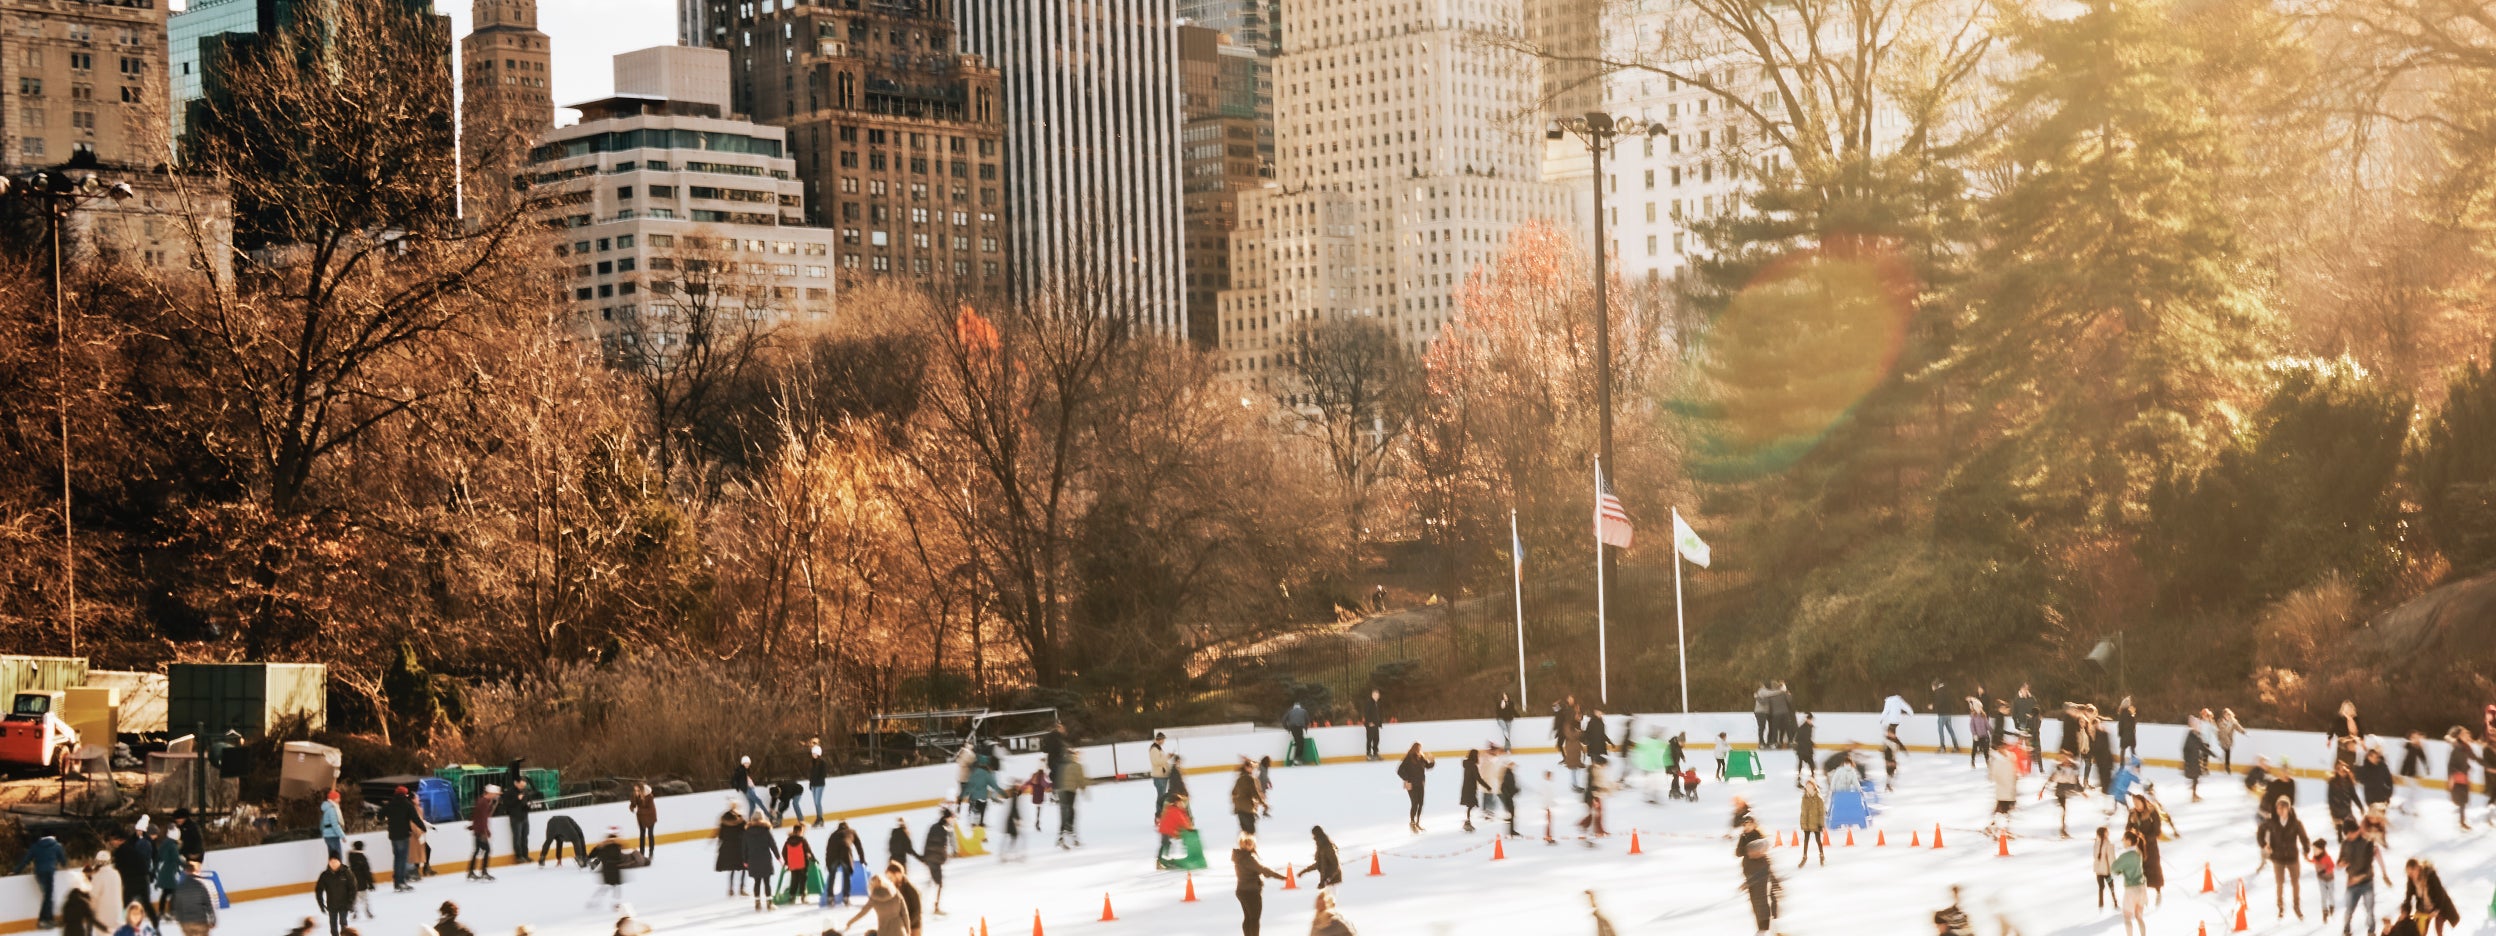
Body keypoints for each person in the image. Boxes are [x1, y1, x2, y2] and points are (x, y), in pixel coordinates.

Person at [2259, 795, 2309, 919]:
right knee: (2279, 883)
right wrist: (2264, 845)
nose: (2280, 811)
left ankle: (2296, 906)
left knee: (2295, 883)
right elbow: (2260, 831)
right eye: (2278, 808)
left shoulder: (2296, 823)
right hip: (2278, 858)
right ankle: (2280, 906)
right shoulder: (2271, 821)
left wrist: (2306, 850)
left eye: (2283, 808)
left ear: (2288, 809)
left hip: (2292, 857)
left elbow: (2304, 838)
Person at [1232, 834, 1286, 936]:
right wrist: (1280, 876)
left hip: (1241, 891)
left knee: (1248, 917)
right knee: (1254, 919)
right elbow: (1262, 869)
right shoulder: (1248, 858)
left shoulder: (1238, 856)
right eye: (1251, 843)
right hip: (1251, 892)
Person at [835, 865, 907, 936]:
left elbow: (862, 913)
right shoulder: (895, 893)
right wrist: (907, 931)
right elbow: (905, 913)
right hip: (900, 931)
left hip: (884, 932)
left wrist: (850, 922)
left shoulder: (874, 898)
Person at [2342, 821, 2386, 936]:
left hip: (2366, 883)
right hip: (2352, 883)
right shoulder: (2346, 843)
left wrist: (2359, 877)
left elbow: (2368, 864)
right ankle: (2346, 931)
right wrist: (2342, 864)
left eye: (2349, 834)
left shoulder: (2367, 843)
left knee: (2369, 910)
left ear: (2354, 831)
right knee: (2349, 910)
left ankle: (2371, 932)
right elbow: (2343, 860)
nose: (2348, 837)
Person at [14, 832, 66, 929]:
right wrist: (63, 866)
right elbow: (63, 861)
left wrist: (16, 871)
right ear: (53, 837)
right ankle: (43, 920)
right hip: (49, 873)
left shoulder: (36, 846)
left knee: (47, 896)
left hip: (39, 873)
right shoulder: (57, 846)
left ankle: (49, 919)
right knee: (48, 896)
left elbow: (26, 860)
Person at [1735, 815, 1776, 936]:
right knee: (1754, 901)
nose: (1746, 826)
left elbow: (1759, 853)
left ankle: (1764, 928)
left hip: (1758, 871)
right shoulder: (1744, 836)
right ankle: (1761, 928)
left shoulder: (1757, 836)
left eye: (1748, 824)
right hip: (1749, 872)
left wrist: (1749, 850)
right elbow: (1738, 853)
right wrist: (1744, 842)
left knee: (1761, 900)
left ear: (1753, 824)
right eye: (1744, 824)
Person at [382, 786, 427, 892]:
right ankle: (402, 882)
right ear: (405, 794)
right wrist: (423, 827)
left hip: (393, 836)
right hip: (403, 836)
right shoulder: (407, 805)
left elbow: (380, 815)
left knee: (397, 859)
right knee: (402, 859)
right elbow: (415, 818)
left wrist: (387, 818)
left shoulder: (391, 804)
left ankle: (397, 883)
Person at [2401, 859, 2458, 936]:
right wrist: (2405, 911)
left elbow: (2440, 894)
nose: (2410, 875)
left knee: (2438, 929)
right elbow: (2408, 897)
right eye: (2408, 873)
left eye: (2411, 872)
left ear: (2417, 868)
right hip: (2424, 907)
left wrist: (2437, 910)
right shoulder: (2411, 880)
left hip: (2439, 906)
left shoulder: (2430, 875)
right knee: (2420, 931)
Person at [588, 828, 634, 912]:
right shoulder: (618, 845)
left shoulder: (602, 846)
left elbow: (591, 855)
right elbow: (624, 850)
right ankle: (615, 904)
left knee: (606, 887)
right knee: (615, 888)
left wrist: (600, 845)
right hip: (615, 870)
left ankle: (594, 901)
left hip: (606, 870)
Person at [2113, 830, 2148, 936]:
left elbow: (2114, 868)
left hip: (2131, 890)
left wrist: (2120, 870)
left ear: (2128, 841)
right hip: (2142, 888)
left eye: (2123, 840)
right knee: (2139, 917)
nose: (2123, 842)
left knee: (2127, 917)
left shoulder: (2125, 856)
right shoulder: (2139, 853)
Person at [741, 812, 777, 912]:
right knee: (767, 882)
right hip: (765, 859)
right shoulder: (766, 830)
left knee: (757, 882)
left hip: (753, 860)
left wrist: (745, 860)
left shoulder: (747, 832)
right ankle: (769, 903)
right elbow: (772, 844)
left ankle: (757, 903)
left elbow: (744, 847)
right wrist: (778, 857)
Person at [919, 808, 953, 915]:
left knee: (931, 882)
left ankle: (921, 904)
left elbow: (927, 841)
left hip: (929, 858)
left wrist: (924, 857)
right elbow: (942, 846)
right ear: (947, 818)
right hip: (936, 860)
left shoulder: (933, 827)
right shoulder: (944, 829)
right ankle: (935, 907)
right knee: (939, 884)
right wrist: (944, 858)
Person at [823, 820, 864, 906]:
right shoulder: (851, 831)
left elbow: (828, 849)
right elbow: (859, 846)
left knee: (832, 875)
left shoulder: (833, 834)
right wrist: (862, 859)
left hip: (833, 855)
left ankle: (830, 897)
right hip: (845, 854)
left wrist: (827, 863)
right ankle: (846, 897)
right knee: (846, 875)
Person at [167, 862, 214, 936]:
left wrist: (179, 920)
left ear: (185, 871)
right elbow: (208, 904)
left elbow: (176, 906)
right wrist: (212, 919)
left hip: (186, 923)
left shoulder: (179, 888)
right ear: (194, 871)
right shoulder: (200, 886)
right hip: (200, 921)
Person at [1396, 743, 1435, 833]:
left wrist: (1432, 761)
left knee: (1420, 803)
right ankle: (1412, 822)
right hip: (1412, 784)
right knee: (1415, 803)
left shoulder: (1421, 757)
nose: (1419, 750)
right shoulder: (1408, 758)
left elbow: (1428, 766)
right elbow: (1399, 771)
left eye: (1420, 748)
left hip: (1421, 784)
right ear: (1414, 748)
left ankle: (1417, 823)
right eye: (1417, 748)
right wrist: (1407, 779)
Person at [2443, 727, 2477, 830]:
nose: (2468, 737)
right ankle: (2462, 821)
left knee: (2464, 800)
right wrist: (2451, 778)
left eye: (2468, 735)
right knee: (2461, 800)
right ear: (2460, 736)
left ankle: (2461, 818)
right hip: (2457, 777)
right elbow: (2451, 764)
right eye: (2465, 735)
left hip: (2464, 776)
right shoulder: (2457, 747)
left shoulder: (2466, 748)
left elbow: (2473, 759)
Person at [466, 785, 501, 881]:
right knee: (487, 850)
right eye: (495, 794)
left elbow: (481, 816)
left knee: (477, 850)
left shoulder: (483, 801)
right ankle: (483, 872)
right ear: (490, 793)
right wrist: (484, 832)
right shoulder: (483, 803)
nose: (496, 796)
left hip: (478, 830)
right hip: (481, 831)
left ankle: (471, 872)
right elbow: (482, 819)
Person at [714, 802, 749, 896]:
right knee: (743, 868)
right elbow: (746, 833)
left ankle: (731, 889)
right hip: (739, 847)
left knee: (732, 869)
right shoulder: (741, 820)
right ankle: (742, 889)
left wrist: (720, 846)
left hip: (729, 848)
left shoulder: (724, 821)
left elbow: (721, 836)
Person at [314, 858, 355, 936]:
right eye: (331, 862)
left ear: (339, 862)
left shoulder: (346, 872)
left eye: (335, 862)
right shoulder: (325, 875)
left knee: (343, 923)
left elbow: (353, 888)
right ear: (329, 863)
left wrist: (351, 903)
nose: (333, 864)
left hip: (344, 904)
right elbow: (319, 890)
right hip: (332, 904)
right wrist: (321, 904)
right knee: (333, 925)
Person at [1058, 749, 1090, 849]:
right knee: (1071, 812)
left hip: (1061, 792)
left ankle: (1062, 837)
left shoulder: (1060, 765)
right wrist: (1084, 789)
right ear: (1074, 756)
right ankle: (1069, 837)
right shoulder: (1077, 765)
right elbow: (1080, 779)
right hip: (1070, 791)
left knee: (1064, 813)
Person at [1988, 741, 2020, 837]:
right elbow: (1992, 776)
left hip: (2010, 790)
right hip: (2002, 790)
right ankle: (1999, 830)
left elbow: (2014, 771)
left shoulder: (2011, 757)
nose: (2003, 749)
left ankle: (1994, 827)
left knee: (2003, 811)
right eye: (2001, 747)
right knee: (2003, 812)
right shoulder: (1997, 762)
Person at [780, 821, 817, 904]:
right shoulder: (802, 840)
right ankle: (803, 897)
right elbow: (808, 850)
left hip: (792, 864)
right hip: (802, 864)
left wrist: (787, 862)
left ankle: (792, 897)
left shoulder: (788, 841)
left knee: (794, 880)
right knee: (803, 881)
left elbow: (783, 852)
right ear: (801, 831)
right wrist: (814, 859)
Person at [88, 853, 123, 936]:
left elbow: (93, 896)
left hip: (102, 913)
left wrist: (90, 910)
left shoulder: (98, 876)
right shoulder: (116, 873)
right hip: (117, 911)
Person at [1156, 793, 1194, 868]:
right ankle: (1161, 861)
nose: (1182, 804)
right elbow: (1182, 821)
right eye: (1181, 803)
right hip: (1166, 830)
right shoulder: (1175, 811)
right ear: (1176, 803)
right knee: (1165, 844)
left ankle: (1162, 860)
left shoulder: (1172, 809)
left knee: (1166, 844)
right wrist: (1189, 828)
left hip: (1166, 830)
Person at [1796, 776, 1826, 868]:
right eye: (1807, 786)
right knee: (1806, 840)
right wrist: (1802, 823)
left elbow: (1822, 813)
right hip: (1807, 823)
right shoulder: (1804, 798)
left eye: (1810, 786)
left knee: (1818, 840)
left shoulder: (1819, 798)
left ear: (1814, 786)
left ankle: (1821, 855)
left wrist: (1821, 824)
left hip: (1816, 823)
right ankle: (1804, 857)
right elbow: (1803, 812)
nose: (1808, 788)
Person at [505, 779, 535, 862]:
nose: (522, 787)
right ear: (516, 783)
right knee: (517, 837)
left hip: (524, 816)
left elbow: (528, 801)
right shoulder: (509, 792)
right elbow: (507, 805)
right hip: (515, 817)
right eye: (521, 786)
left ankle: (525, 855)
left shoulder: (525, 791)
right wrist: (517, 799)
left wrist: (529, 806)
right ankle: (519, 856)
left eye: (524, 786)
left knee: (525, 836)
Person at [1231, 760, 1265, 834]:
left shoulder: (1239, 779)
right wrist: (1263, 803)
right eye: (1251, 767)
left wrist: (1235, 806)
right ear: (1246, 768)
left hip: (1239, 809)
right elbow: (1255, 794)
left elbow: (1233, 792)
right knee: (1251, 831)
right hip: (1247, 809)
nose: (1252, 769)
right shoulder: (1250, 779)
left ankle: (1243, 843)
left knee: (1244, 831)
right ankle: (1249, 844)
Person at [344, 843, 374, 920]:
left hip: (352, 882)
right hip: (362, 883)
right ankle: (367, 911)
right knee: (364, 898)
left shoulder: (351, 857)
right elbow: (367, 872)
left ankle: (355, 913)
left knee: (354, 898)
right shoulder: (363, 858)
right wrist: (371, 883)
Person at [2310, 839, 2337, 924]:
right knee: (2323, 895)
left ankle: (2332, 906)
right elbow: (2313, 861)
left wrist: (2325, 871)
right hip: (2321, 879)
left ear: (2321, 850)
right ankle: (2324, 911)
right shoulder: (2315, 857)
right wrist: (2307, 858)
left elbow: (2332, 866)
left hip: (2330, 879)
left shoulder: (2326, 857)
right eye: (2313, 849)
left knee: (2330, 894)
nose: (2313, 851)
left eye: (2315, 849)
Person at [1931, 679, 1961, 754]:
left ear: (1934, 686)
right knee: (1950, 730)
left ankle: (1942, 747)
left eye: (1932, 686)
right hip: (1948, 713)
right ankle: (1956, 746)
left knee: (1940, 730)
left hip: (1942, 714)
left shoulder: (1938, 692)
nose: (1932, 688)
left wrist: (1933, 706)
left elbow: (1939, 702)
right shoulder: (1946, 690)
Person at [2092, 826, 2118, 909]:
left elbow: (2095, 856)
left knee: (2101, 888)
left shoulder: (2096, 843)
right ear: (2105, 833)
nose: (2109, 833)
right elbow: (2111, 858)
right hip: (2107, 872)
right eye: (2107, 832)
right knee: (2111, 886)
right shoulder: (2109, 844)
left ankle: (2101, 905)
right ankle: (2115, 902)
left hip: (2098, 871)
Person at [1459, 749, 1484, 832]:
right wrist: (1487, 786)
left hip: (1467, 788)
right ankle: (1467, 823)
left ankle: (1467, 822)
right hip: (1470, 789)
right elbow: (1478, 778)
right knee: (1471, 805)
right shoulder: (1473, 765)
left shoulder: (1467, 764)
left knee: (1471, 805)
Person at [1149, 733, 1174, 813]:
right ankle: (1159, 815)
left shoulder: (1158, 748)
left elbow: (1162, 762)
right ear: (1159, 739)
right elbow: (1156, 762)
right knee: (1161, 797)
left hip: (1162, 776)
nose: (1164, 741)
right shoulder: (1154, 749)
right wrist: (1167, 757)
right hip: (1159, 777)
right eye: (1163, 739)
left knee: (1162, 796)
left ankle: (1161, 814)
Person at [319, 791, 347, 862]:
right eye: (338, 798)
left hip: (327, 836)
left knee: (332, 857)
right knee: (337, 858)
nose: (339, 800)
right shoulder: (332, 810)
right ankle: (338, 872)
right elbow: (335, 825)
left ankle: (331, 872)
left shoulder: (327, 809)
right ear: (334, 799)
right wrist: (342, 836)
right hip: (332, 836)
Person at [2216, 709, 2244, 774]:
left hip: (2229, 739)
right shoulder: (2220, 722)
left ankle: (2226, 765)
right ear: (2223, 715)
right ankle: (2227, 766)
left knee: (2227, 751)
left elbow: (2238, 727)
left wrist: (2243, 732)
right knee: (2227, 750)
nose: (2227, 716)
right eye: (2225, 715)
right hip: (2222, 738)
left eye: (2228, 714)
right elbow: (2222, 732)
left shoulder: (2233, 722)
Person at [1793, 714, 1817, 787]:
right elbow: (1797, 739)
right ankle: (1798, 781)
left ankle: (1813, 782)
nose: (1810, 721)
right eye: (1809, 719)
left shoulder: (1810, 727)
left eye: (1811, 719)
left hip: (1807, 749)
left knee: (1812, 766)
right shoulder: (1802, 728)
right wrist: (1809, 743)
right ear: (1807, 719)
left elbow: (1807, 738)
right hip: (1802, 750)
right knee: (1801, 766)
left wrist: (1811, 743)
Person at [1361, 689, 1384, 762]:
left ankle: (1375, 753)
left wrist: (1379, 723)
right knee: (1369, 739)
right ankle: (1368, 754)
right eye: (1374, 695)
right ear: (1372, 695)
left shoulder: (1377, 703)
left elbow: (1378, 714)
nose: (1376, 696)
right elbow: (1366, 713)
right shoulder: (1369, 703)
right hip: (1370, 725)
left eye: (1377, 695)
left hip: (1376, 725)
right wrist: (1368, 722)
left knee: (1376, 739)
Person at [1753, 682, 1776, 749]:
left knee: (1771, 727)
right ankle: (1761, 742)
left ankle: (1769, 742)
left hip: (1768, 712)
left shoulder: (1767, 692)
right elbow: (1763, 702)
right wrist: (1757, 697)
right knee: (1762, 727)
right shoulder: (1762, 692)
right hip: (1760, 712)